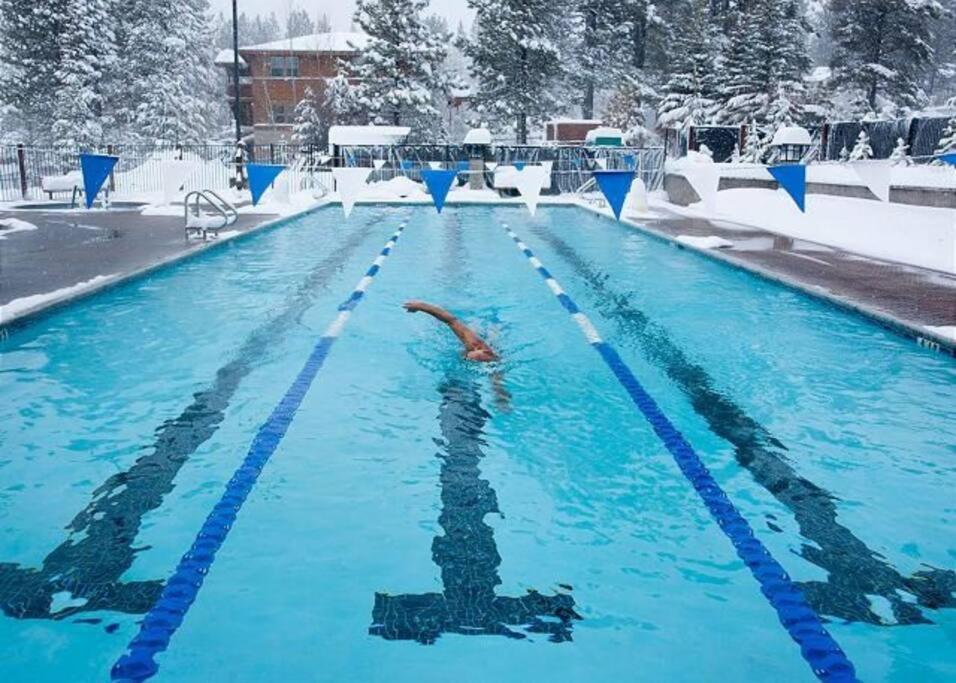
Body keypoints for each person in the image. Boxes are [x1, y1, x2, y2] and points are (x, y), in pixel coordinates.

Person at [403, 301, 499, 362]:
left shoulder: (494, 365)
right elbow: (451, 320)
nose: (465, 356)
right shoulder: (473, 342)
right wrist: (421, 306)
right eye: (467, 356)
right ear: (477, 348)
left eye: (467, 357)